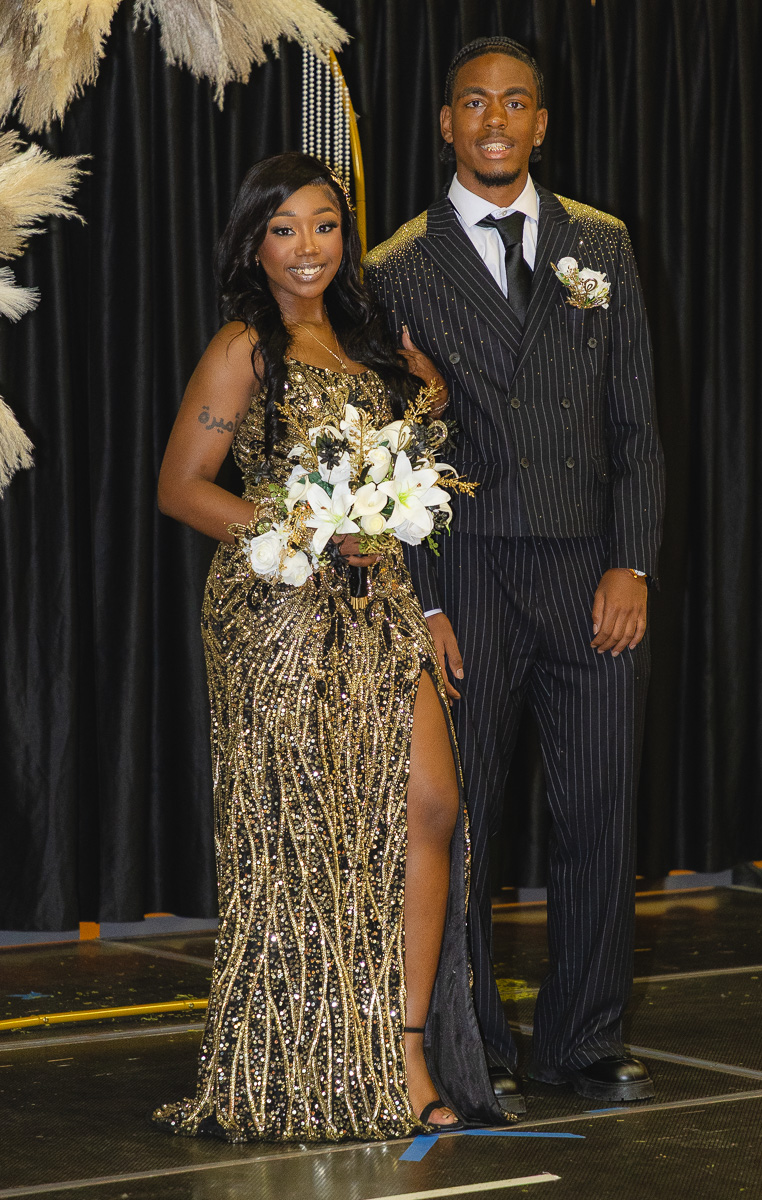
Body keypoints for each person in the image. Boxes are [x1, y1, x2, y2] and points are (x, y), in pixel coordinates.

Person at [152, 151, 509, 1141]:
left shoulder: (366, 341)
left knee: (428, 807)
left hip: (379, 603)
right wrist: (295, 532)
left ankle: (399, 1048)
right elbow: (183, 485)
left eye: (321, 225)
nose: (305, 248)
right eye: (282, 229)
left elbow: (405, 443)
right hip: (278, 612)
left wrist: (420, 405)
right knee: (305, 840)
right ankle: (299, 1060)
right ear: (253, 245)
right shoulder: (244, 349)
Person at [364, 37, 665, 1106]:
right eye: (473, 104)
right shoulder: (393, 266)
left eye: (516, 102)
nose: (494, 120)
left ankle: (580, 1040)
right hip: (471, 574)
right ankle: (470, 1040)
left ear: (541, 121)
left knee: (596, 812)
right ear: (445, 123)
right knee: (471, 819)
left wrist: (630, 560)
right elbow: (388, 454)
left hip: (590, 570)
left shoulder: (602, 246)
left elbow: (634, 423)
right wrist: (425, 599)